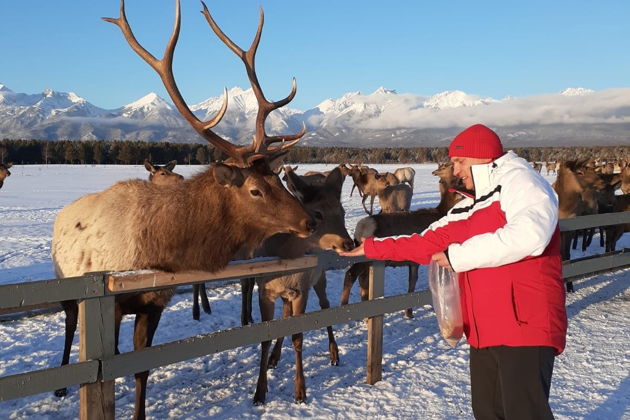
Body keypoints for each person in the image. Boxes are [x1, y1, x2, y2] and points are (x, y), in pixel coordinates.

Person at [340, 123, 567, 420]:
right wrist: (372, 248)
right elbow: (428, 242)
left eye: (460, 162)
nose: (455, 170)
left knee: (524, 413)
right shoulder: (473, 204)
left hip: (524, 324)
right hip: (485, 329)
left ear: (480, 158)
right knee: (487, 412)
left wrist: (457, 256)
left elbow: (531, 236)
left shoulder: (522, 183)